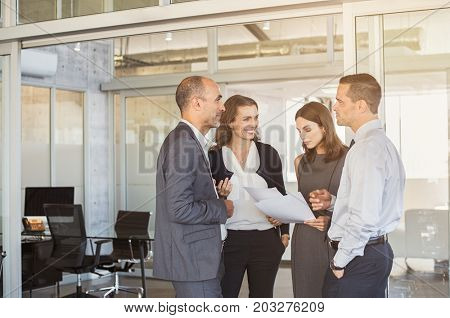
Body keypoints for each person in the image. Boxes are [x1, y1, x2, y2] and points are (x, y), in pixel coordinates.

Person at [310, 73, 405, 298]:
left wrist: (339, 262)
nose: (334, 107)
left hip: (357, 258)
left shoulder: (367, 149)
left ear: (360, 105)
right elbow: (372, 203)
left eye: (340, 101)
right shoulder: (381, 144)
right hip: (370, 254)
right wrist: (334, 202)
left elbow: (364, 217)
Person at [153, 76, 234, 298]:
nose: (223, 107)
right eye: (218, 100)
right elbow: (179, 208)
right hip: (193, 262)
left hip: (198, 260)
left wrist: (212, 194)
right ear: (197, 103)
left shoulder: (190, 141)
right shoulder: (184, 143)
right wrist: (221, 207)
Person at [209, 94, 289, 298]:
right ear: (230, 122)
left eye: (255, 117)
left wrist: (284, 231)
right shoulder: (214, 156)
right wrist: (219, 196)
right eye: (246, 118)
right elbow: (205, 200)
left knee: (262, 300)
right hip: (229, 241)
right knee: (226, 299)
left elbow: (281, 196)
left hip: (265, 240)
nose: (253, 123)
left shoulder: (268, 153)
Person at [289, 102, 347, 298]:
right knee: (307, 296)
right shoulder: (300, 162)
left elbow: (357, 204)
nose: (303, 136)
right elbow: (302, 203)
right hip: (305, 239)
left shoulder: (349, 158)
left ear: (324, 126)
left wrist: (331, 219)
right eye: (299, 131)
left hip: (337, 239)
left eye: (307, 129)